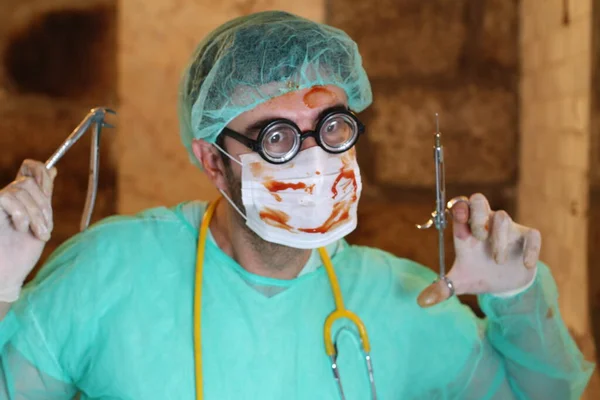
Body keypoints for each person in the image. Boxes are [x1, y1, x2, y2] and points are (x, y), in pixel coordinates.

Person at [0, 10, 594, 400]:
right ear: (212, 161)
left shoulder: (404, 303)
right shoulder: (109, 273)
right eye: (277, 138)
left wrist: (516, 302)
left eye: (332, 127)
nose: (316, 159)